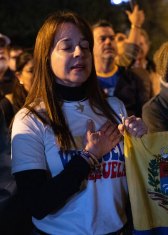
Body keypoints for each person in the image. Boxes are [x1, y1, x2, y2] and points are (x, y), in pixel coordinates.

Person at [11, 11, 147, 235]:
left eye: (85, 46)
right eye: (67, 47)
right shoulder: (30, 119)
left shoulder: (115, 107)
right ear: (46, 56)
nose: (79, 53)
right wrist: (88, 157)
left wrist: (141, 139)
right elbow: (37, 204)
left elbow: (137, 180)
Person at [92, 6, 150, 117]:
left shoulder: (132, 79)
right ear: (91, 45)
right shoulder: (84, 81)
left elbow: (144, 115)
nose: (108, 42)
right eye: (102, 39)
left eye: (112, 38)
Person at [0, 49, 34, 235]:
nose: (37, 76)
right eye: (31, 71)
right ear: (19, 75)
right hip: (14, 194)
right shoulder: (6, 106)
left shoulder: (48, 105)